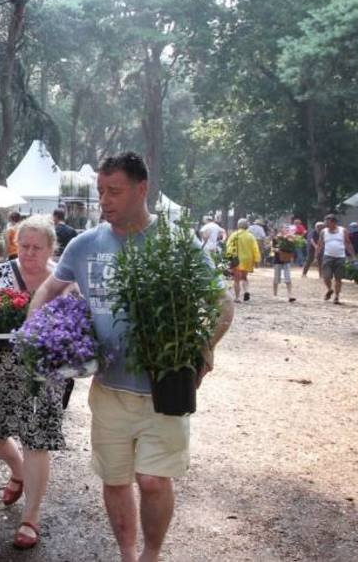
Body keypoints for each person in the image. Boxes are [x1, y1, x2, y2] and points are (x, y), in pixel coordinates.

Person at [29, 152, 235, 562]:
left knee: (154, 480)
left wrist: (204, 350)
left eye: (115, 191)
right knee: (116, 479)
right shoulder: (85, 244)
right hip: (109, 391)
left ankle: (151, 555)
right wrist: (35, 338)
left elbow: (222, 300)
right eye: (101, 191)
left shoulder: (176, 241)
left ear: (142, 190)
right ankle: (127, 554)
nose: (105, 200)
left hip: (164, 392)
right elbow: (49, 289)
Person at [0, 215, 64, 550]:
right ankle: (18, 470)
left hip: (40, 376)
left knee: (36, 441)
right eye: (24, 246)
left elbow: (80, 323)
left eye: (37, 247)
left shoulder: (61, 279)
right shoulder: (2, 273)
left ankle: (31, 517)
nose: (29, 253)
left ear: (52, 248)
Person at [318, 214, 355, 304]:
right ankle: (330, 289)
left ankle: (337, 297)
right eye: (325, 222)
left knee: (338, 278)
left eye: (328, 222)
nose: (326, 224)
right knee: (326, 276)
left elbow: (348, 243)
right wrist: (317, 254)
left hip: (340, 257)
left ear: (334, 222)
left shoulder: (343, 231)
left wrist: (353, 256)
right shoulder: (323, 232)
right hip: (327, 256)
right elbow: (320, 244)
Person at [226, 219, 262, 302]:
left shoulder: (234, 235)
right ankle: (246, 291)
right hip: (248, 260)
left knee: (236, 279)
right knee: (244, 277)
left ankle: (237, 297)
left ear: (238, 225)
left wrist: (228, 257)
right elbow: (255, 248)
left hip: (236, 259)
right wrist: (257, 260)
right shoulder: (250, 236)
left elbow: (229, 247)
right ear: (247, 226)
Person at [271, 230, 296, 302]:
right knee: (276, 277)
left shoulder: (288, 240)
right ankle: (275, 294)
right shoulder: (275, 240)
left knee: (288, 277)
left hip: (286, 260)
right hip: (277, 261)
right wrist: (277, 250)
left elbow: (292, 249)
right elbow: (272, 249)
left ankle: (290, 295)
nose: (283, 233)